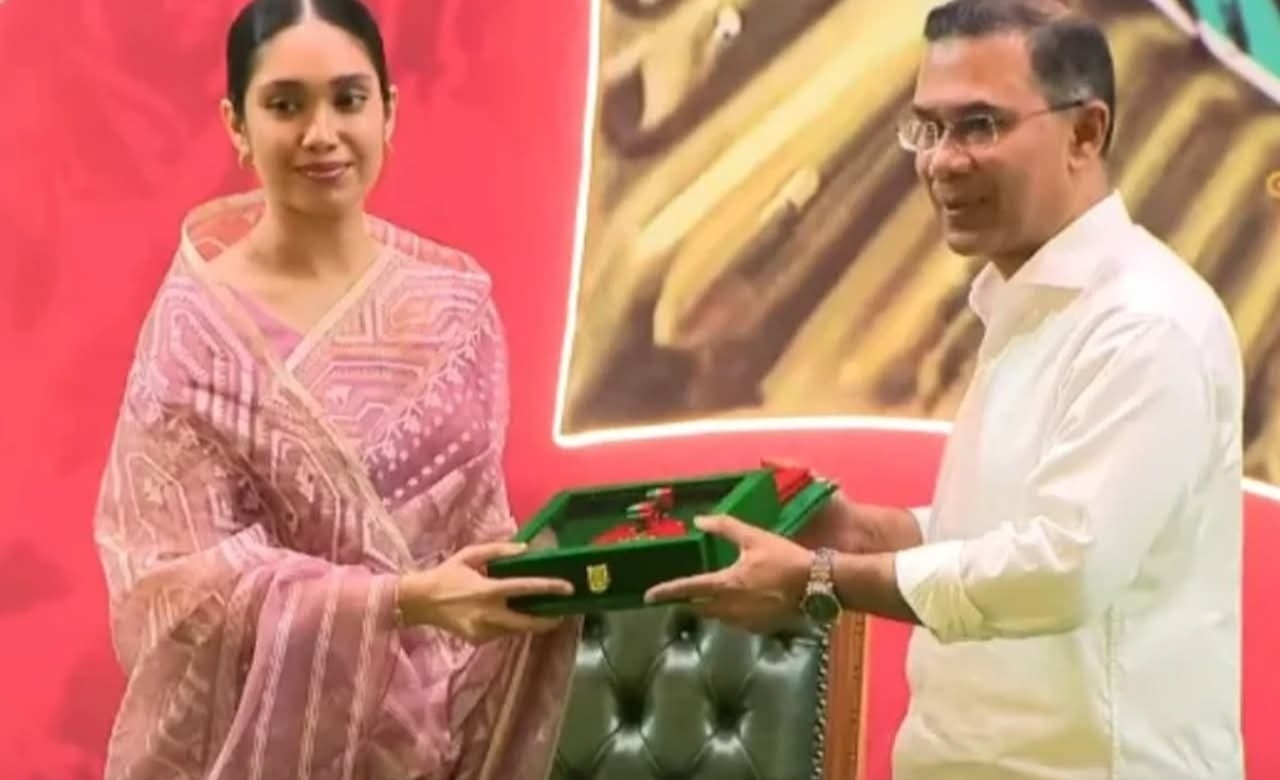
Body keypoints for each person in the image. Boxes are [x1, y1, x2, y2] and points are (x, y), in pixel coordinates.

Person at [646, 1, 1246, 779]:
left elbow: (1063, 568)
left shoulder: (1147, 323)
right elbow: (1015, 529)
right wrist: (868, 531)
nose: (941, 161)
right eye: (928, 128)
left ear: (1085, 132)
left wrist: (821, 580)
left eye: (979, 126)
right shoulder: (1026, 304)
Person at [92, 1, 580, 778]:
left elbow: (480, 534)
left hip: (432, 741)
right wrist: (399, 601)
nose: (321, 133)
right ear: (236, 125)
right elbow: (177, 591)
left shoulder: (453, 313)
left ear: (389, 113)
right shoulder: (198, 333)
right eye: (285, 105)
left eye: (349, 100)